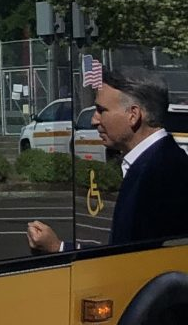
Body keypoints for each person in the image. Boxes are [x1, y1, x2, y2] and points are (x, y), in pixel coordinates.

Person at [26, 67, 188, 252]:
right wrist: (59, 247)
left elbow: (130, 261)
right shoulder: (156, 162)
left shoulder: (160, 173)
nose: (94, 120)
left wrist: (59, 248)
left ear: (133, 115)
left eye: (101, 110)